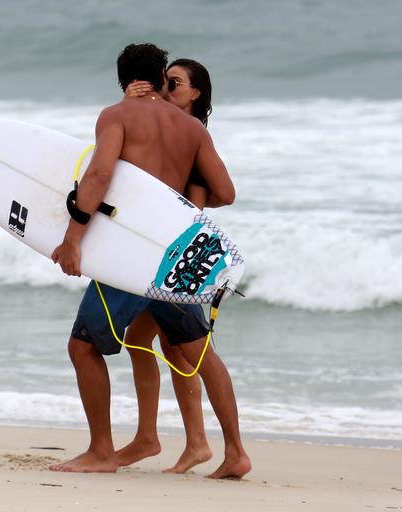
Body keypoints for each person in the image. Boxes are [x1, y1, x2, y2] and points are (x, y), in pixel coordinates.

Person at [49, 43, 250, 479]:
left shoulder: (116, 115)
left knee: (83, 346)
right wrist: (185, 201)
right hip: (172, 259)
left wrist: (73, 237)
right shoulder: (193, 130)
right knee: (200, 354)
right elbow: (226, 193)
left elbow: (99, 175)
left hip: (134, 258)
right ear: (160, 78)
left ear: (125, 80)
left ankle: (101, 452)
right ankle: (235, 453)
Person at [114, 59, 218, 474]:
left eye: (174, 83)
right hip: (159, 251)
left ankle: (173, 441)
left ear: (194, 93)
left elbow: (207, 198)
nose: (165, 87)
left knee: (192, 350)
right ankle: (187, 442)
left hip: (175, 256)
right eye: (164, 80)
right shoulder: (174, 130)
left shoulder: (192, 137)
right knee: (157, 341)